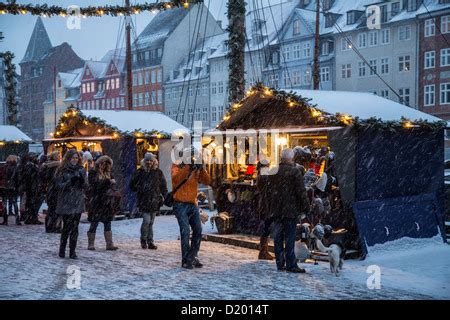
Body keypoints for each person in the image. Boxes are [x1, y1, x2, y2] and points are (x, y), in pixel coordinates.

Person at [266, 148, 309, 273]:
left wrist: (271, 207)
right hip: (290, 211)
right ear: (291, 158)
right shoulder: (295, 172)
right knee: (290, 238)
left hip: (276, 210)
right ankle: (291, 264)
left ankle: (280, 263)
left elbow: (268, 191)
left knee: (278, 238)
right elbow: (301, 192)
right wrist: (306, 207)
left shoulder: (274, 171)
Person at [171, 148, 211, 269]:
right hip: (180, 203)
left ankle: (192, 257)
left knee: (198, 230)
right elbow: (177, 179)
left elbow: (207, 181)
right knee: (185, 232)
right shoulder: (177, 165)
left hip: (192, 203)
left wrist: (201, 168)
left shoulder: (195, 168)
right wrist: (189, 166)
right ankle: (185, 260)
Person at [130, 152, 167, 250]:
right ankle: (143, 240)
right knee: (146, 221)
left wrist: (165, 196)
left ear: (154, 161)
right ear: (144, 161)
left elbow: (163, 186)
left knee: (151, 222)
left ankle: (150, 241)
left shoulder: (158, 172)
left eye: (151, 160)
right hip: (144, 200)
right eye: (147, 160)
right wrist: (140, 188)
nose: (149, 162)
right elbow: (132, 185)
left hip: (155, 200)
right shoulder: (140, 172)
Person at [55, 149, 87, 259]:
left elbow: (86, 186)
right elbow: (58, 186)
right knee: (66, 227)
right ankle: (62, 249)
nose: (75, 160)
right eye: (73, 158)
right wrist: (70, 182)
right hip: (66, 202)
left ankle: (72, 251)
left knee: (75, 228)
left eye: (76, 158)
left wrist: (82, 182)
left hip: (77, 202)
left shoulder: (81, 170)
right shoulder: (62, 170)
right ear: (68, 158)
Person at [87, 155, 119, 251]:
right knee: (94, 222)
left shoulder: (109, 173)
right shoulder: (93, 172)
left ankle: (109, 244)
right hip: (96, 201)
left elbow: (112, 186)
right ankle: (91, 244)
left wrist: (111, 183)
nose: (105, 166)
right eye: (103, 163)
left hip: (107, 202)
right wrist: (107, 181)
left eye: (107, 164)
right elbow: (95, 185)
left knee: (107, 223)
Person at [256, 157, 274, 260]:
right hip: (266, 205)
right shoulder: (264, 176)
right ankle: (263, 251)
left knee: (266, 228)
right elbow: (267, 190)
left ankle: (264, 250)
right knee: (266, 228)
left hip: (264, 204)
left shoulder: (261, 175)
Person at [40, 151, 61, 233]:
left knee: (51, 209)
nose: (59, 157)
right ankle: (56, 226)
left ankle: (49, 227)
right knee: (56, 209)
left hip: (50, 189)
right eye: (58, 155)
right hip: (56, 189)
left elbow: (44, 178)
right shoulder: (57, 166)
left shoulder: (46, 165)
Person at [22, 152, 43, 225]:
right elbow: (29, 177)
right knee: (32, 203)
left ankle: (31, 218)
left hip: (33, 187)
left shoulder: (32, 165)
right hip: (32, 187)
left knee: (33, 203)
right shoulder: (30, 166)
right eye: (34, 157)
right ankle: (31, 218)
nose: (36, 158)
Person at [4, 155, 20, 225]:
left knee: (6, 203)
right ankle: (17, 219)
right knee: (14, 202)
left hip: (5, 186)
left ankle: (5, 220)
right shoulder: (16, 168)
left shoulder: (5, 167)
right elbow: (17, 178)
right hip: (13, 187)